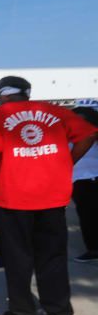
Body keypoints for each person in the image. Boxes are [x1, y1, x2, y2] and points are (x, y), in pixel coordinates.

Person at [0, 76, 97, 315]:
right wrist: (68, 162)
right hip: (52, 198)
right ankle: (60, 314)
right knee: (53, 258)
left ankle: (23, 314)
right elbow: (88, 135)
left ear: (3, 94)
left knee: (17, 259)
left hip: (13, 199)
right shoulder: (55, 111)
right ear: (26, 93)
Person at [71, 106, 98, 263]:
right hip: (79, 182)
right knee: (87, 217)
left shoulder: (93, 135)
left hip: (95, 178)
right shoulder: (69, 137)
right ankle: (93, 249)